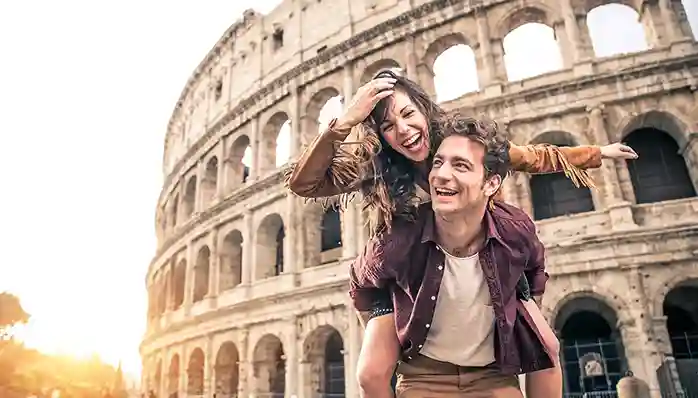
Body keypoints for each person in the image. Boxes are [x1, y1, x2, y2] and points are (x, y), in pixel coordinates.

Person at [284, 70, 637, 397]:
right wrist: (344, 122)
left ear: (423, 109)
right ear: (380, 134)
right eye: (389, 126)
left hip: (489, 254)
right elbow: (304, 183)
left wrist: (597, 152)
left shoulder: (459, 142)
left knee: (548, 345)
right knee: (372, 371)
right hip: (409, 273)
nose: (403, 130)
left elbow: (529, 155)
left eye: (408, 115)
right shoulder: (378, 165)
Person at [350, 113, 554, 397]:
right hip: (424, 373)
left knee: (550, 348)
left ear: (491, 184)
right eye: (437, 162)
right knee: (369, 374)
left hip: (492, 374)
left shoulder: (515, 230)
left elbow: (535, 273)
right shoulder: (399, 238)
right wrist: (384, 321)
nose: (441, 175)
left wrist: (520, 307)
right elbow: (361, 284)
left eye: (460, 165)